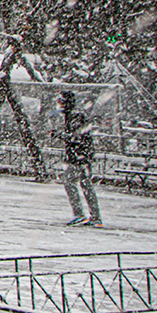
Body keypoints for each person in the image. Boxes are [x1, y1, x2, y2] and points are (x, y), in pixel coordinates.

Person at [54, 90, 101, 227]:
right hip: (80, 155)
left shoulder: (75, 116)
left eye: (61, 102)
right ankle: (93, 216)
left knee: (73, 183)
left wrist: (59, 135)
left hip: (79, 156)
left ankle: (82, 214)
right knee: (84, 185)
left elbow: (75, 136)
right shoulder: (73, 115)